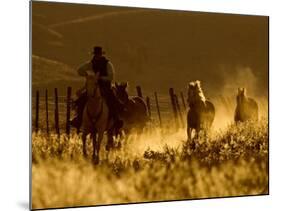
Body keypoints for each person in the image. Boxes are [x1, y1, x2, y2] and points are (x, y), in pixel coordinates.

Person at [71, 46, 124, 132]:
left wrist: (101, 78)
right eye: (96, 54)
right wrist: (88, 75)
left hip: (105, 87)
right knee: (81, 100)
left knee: (112, 101)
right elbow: (79, 70)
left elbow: (111, 77)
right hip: (93, 86)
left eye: (98, 54)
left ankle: (116, 120)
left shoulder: (107, 64)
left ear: (101, 55)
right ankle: (78, 119)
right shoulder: (90, 63)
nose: (97, 56)